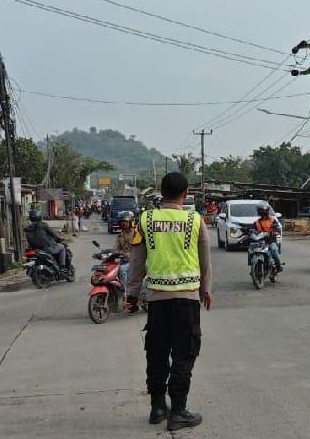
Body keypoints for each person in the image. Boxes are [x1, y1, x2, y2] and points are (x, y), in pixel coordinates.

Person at [125, 172, 211, 431]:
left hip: (157, 300)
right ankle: (178, 411)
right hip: (187, 299)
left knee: (157, 354)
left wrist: (132, 294)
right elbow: (205, 259)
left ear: (161, 193)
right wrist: (205, 290)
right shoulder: (195, 220)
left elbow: (136, 261)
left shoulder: (146, 220)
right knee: (184, 355)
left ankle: (157, 407)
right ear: (185, 194)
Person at [253, 204, 283, 271]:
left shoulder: (272, 220)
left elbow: (277, 227)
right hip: (260, 240)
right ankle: (254, 265)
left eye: (264, 211)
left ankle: (278, 265)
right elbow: (253, 230)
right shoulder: (257, 222)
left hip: (271, 239)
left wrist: (275, 230)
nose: (263, 213)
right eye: (261, 211)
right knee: (252, 250)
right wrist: (247, 232)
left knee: (274, 250)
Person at [113, 210, 138, 287]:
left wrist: (131, 254)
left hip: (136, 260)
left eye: (125, 221)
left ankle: (127, 290)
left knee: (122, 269)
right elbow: (116, 249)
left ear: (131, 222)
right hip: (124, 260)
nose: (123, 224)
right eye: (121, 222)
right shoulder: (120, 235)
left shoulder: (137, 234)